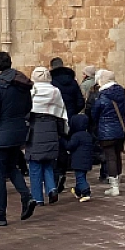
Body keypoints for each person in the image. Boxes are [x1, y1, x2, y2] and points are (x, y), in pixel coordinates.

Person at [0, 51, 37, 226]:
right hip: (17, 132)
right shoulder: (22, 83)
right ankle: (27, 196)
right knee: (12, 167)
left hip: (0, 133)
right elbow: (28, 106)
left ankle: (0, 214)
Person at [26, 66, 68, 205]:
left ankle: (37, 198)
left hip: (35, 128)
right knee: (48, 162)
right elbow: (61, 112)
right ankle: (51, 188)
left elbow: (26, 110)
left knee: (35, 165)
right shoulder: (55, 91)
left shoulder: (32, 91)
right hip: (51, 127)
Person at [89, 69, 125, 196]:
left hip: (106, 130)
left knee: (110, 157)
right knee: (117, 155)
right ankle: (118, 178)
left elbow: (95, 113)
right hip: (120, 128)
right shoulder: (121, 93)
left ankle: (114, 186)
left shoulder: (103, 96)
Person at [49, 57, 85, 190]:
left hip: (56, 117)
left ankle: (58, 173)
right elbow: (80, 101)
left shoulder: (52, 82)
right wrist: (72, 112)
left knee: (58, 146)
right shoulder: (73, 82)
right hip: (70, 118)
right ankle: (70, 171)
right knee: (70, 144)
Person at [64, 113, 95, 202]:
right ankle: (77, 191)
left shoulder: (76, 136)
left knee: (80, 177)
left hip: (78, 161)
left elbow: (69, 146)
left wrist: (63, 141)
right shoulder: (88, 135)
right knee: (81, 176)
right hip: (87, 160)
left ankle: (86, 191)